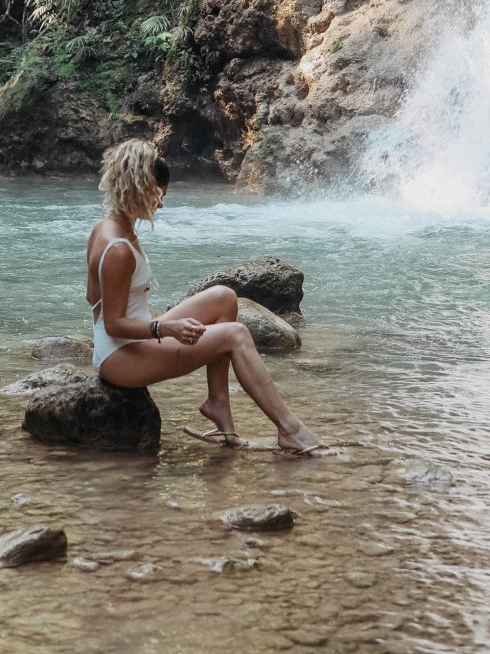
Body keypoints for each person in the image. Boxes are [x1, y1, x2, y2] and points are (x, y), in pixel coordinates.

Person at [87, 139, 325, 456]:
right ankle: (290, 430)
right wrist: (165, 329)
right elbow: (113, 323)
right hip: (118, 359)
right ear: (140, 189)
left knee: (224, 297)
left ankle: (217, 404)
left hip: (129, 341)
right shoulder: (118, 249)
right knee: (236, 334)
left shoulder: (106, 228)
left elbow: (93, 299)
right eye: (159, 196)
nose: (161, 206)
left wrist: (152, 324)